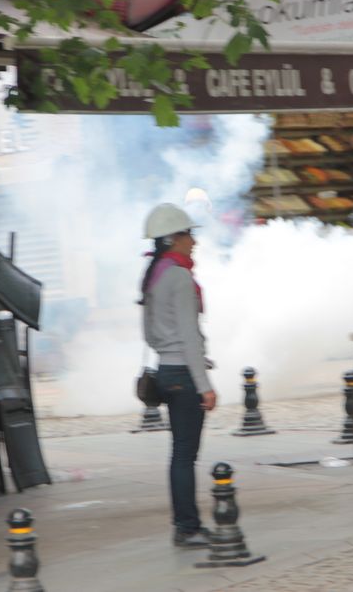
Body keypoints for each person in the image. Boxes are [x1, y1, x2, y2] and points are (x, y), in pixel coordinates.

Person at [140, 203, 216, 548]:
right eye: (188, 235)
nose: (193, 242)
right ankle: (187, 527)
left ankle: (186, 524)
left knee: (179, 454)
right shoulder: (180, 277)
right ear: (173, 237)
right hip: (184, 375)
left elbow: (150, 334)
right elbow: (189, 335)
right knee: (186, 455)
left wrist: (166, 352)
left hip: (165, 369)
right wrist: (205, 386)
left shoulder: (154, 275)